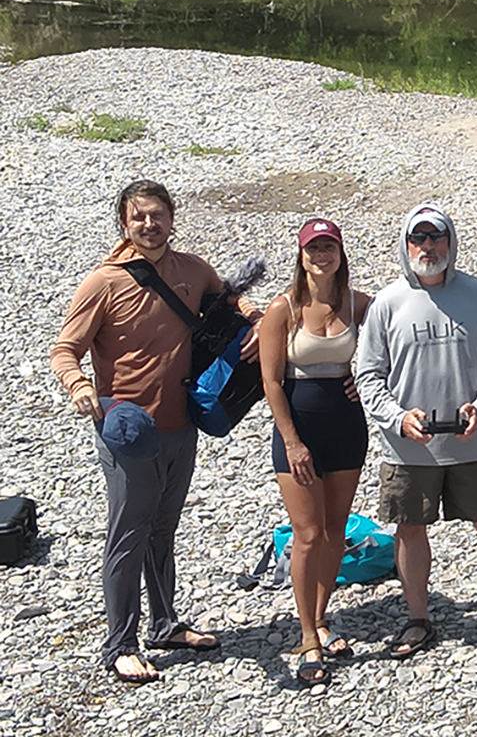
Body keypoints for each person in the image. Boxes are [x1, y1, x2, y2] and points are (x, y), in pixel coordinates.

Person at [50, 180, 262, 683]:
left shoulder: (192, 270)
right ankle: (119, 643)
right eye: (138, 216)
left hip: (181, 423)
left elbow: (229, 304)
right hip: (127, 429)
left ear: (171, 217)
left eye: (157, 215)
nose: (149, 224)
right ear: (124, 223)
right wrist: (79, 385)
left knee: (163, 527)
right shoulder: (103, 283)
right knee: (128, 533)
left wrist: (255, 319)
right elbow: (64, 348)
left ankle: (164, 624)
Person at [356, 205, 477, 670]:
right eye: (418, 238)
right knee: (410, 528)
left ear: (451, 242)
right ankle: (418, 617)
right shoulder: (386, 303)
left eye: (437, 237)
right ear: (405, 245)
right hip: (409, 446)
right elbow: (367, 375)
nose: (428, 247)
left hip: (474, 443)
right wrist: (398, 418)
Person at [258, 218, 371, 685]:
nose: (321, 256)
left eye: (329, 247)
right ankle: (307, 637)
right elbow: (270, 382)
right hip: (299, 430)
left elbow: (398, 335)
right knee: (305, 535)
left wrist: (364, 372)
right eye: (313, 248)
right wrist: (291, 440)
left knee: (334, 530)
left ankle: (322, 618)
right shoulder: (283, 309)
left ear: (341, 253)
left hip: (347, 428)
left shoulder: (358, 303)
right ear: (300, 255)